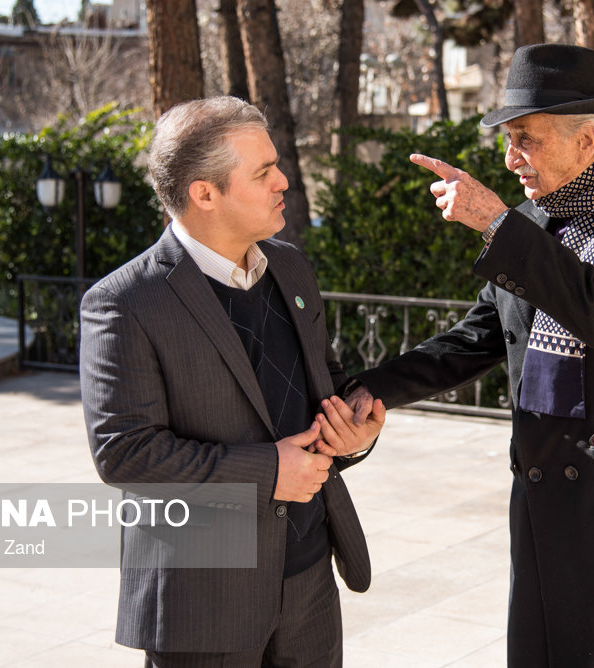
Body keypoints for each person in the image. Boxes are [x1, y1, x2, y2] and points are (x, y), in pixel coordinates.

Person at [346, 44, 594, 667]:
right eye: (507, 139)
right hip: (544, 492)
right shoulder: (533, 220)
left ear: (586, 141)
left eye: (526, 139)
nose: (509, 158)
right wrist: (368, 389)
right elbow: (475, 338)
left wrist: (499, 225)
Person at [79, 96, 385, 668]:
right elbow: (124, 454)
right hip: (205, 599)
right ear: (204, 193)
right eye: (264, 171)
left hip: (311, 582)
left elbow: (328, 384)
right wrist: (269, 471)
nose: (284, 181)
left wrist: (353, 432)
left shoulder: (291, 267)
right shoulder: (123, 302)